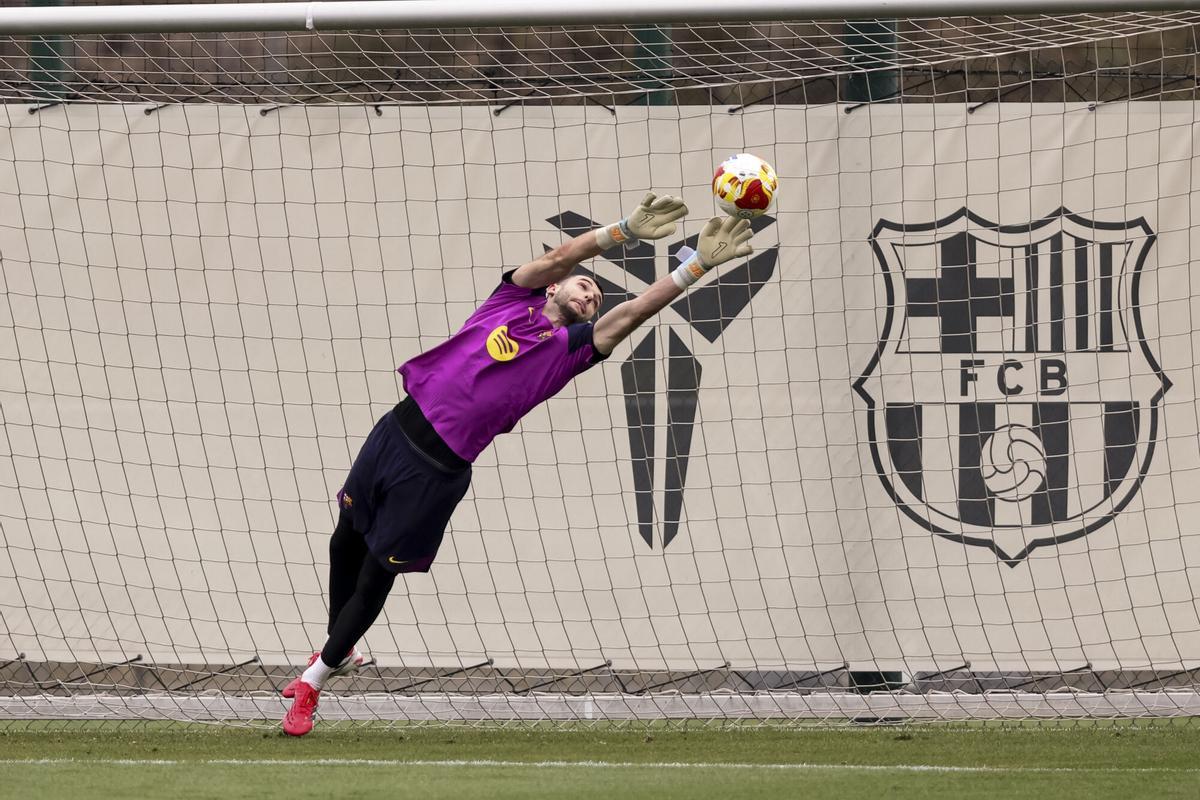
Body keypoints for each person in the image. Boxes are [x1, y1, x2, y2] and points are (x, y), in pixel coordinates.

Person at [281, 193, 755, 735]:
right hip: (394, 431)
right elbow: (559, 258)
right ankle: (337, 649)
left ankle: (312, 683)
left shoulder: (570, 350)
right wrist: (621, 231)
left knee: (375, 574)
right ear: (554, 287)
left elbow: (633, 311)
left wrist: (692, 266)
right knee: (344, 542)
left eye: (596, 294)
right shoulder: (508, 301)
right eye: (585, 283)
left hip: (438, 472)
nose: (592, 291)